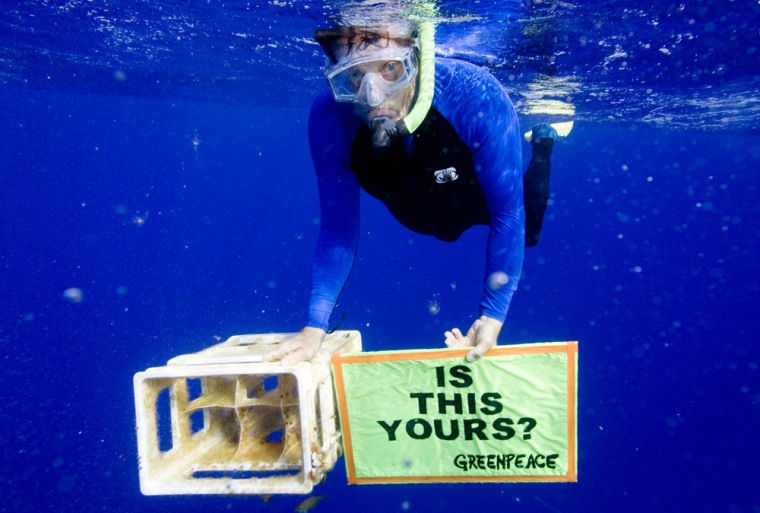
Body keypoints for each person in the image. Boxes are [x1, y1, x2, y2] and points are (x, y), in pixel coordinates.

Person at [264, 23, 558, 365]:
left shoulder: (476, 94)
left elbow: (508, 213)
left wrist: (492, 317)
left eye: (390, 68)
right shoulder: (330, 116)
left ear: (417, 62)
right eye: (356, 77)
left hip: (473, 198)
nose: (373, 97)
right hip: (416, 210)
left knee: (529, 232)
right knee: (439, 227)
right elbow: (337, 229)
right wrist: (314, 327)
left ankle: (545, 143)